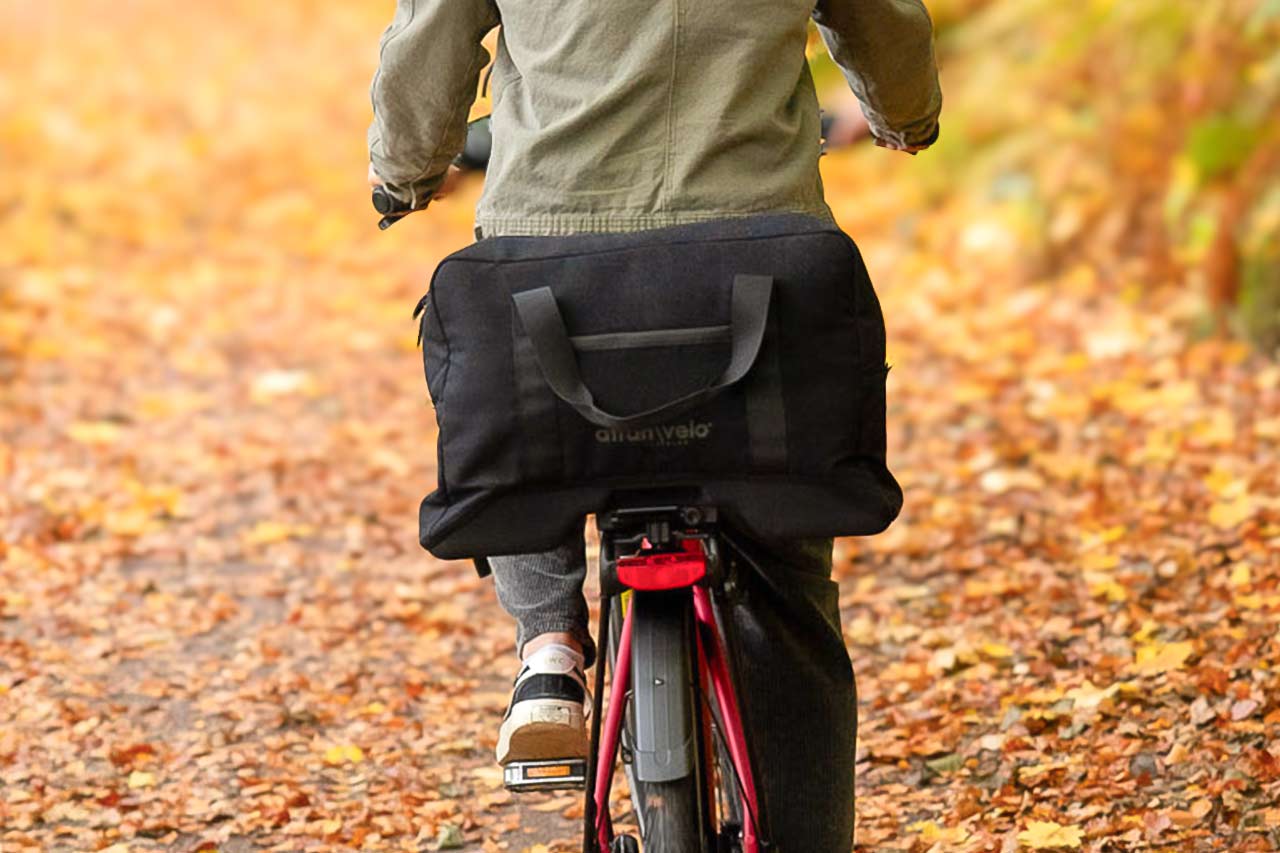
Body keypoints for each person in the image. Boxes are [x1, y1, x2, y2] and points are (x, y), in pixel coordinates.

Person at [368, 1, 940, 848]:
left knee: (518, 398)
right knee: (791, 599)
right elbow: (882, 22)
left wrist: (403, 173)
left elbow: (432, 39)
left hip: (555, 269)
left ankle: (550, 646)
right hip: (759, 264)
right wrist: (904, 116)